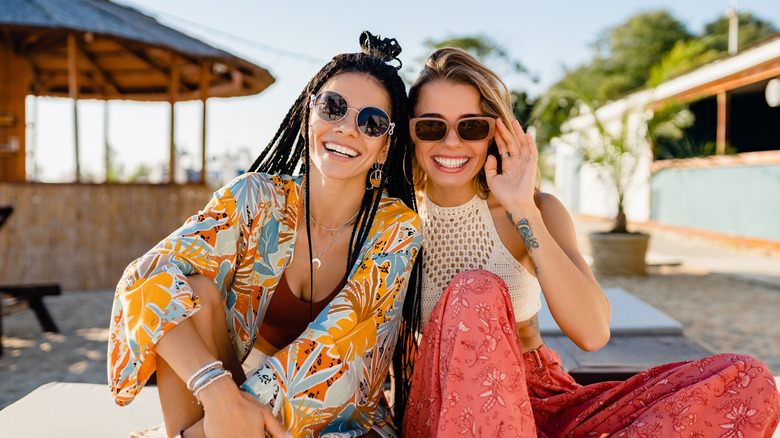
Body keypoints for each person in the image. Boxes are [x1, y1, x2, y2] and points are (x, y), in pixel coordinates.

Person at [400, 47, 780, 437]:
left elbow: (593, 332)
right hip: (446, 404)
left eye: (471, 127)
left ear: (496, 132)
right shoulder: (392, 221)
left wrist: (522, 209)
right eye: (431, 126)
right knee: (476, 290)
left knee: (747, 378)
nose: (450, 142)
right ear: (410, 132)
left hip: (546, 402)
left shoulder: (534, 211)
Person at [108, 32, 422, 438]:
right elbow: (143, 281)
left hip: (337, 423)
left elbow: (329, 361)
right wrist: (218, 391)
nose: (346, 127)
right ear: (308, 115)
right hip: (229, 401)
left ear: (385, 148)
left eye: (372, 122)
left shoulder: (395, 230)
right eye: (333, 106)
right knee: (193, 293)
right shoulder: (254, 198)